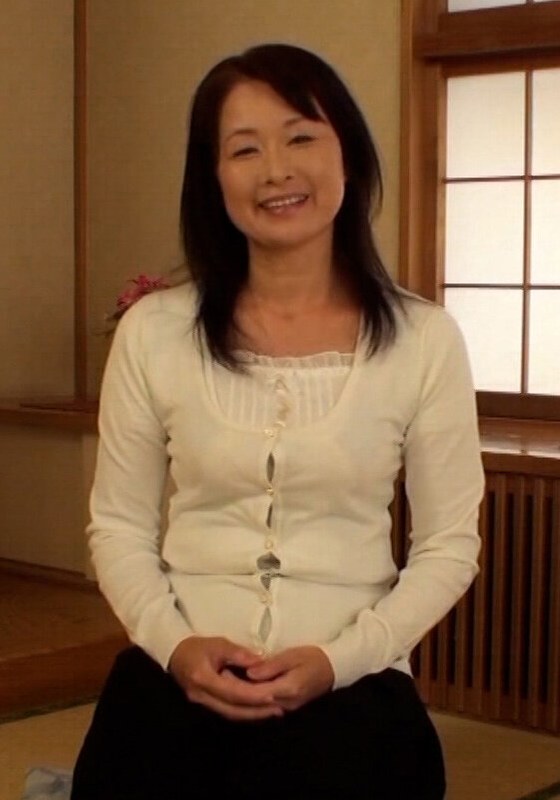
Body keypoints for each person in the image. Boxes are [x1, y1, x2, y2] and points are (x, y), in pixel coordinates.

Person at [71, 42, 484, 800]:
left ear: (347, 156)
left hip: (355, 687)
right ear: (213, 177)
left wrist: (339, 660)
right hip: (176, 681)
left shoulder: (425, 340)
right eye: (244, 149)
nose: (276, 171)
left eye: (300, 138)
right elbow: (118, 527)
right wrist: (176, 646)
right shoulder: (153, 331)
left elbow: (449, 545)